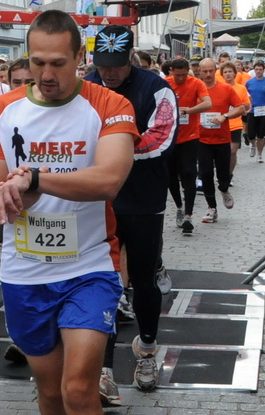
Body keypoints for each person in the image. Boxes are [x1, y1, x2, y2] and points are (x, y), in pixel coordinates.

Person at [0, 10, 135, 415]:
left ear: (79, 58)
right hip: (25, 273)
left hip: (90, 266)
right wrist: (2, 193)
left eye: (57, 63)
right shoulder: (4, 108)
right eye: (37, 63)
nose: (45, 74)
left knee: (78, 388)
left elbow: (109, 179)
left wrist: (37, 179)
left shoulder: (109, 107)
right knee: (49, 392)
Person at [85, 24, 177, 395]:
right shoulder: (86, 88)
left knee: (142, 279)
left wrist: (112, 154)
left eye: (117, 65)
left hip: (143, 197)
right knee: (102, 280)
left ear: (131, 57)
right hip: (98, 198)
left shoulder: (156, 89)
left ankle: (147, 349)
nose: (108, 72)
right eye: (102, 64)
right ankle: (103, 368)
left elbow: (162, 137)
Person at [193, 58, 245, 224]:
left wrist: (225, 116)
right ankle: (211, 208)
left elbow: (241, 108)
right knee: (206, 173)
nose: (208, 75)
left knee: (223, 174)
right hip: (202, 140)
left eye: (210, 71)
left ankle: (223, 189)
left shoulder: (225, 89)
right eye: (204, 71)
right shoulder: (196, 90)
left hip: (222, 138)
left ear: (215, 70)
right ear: (200, 72)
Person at [164, 57, 207, 236]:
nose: (180, 78)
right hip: (170, 137)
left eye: (183, 75)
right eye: (177, 75)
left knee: (189, 173)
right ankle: (179, 207)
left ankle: (189, 215)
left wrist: (188, 110)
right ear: (171, 71)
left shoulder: (196, 83)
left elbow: (207, 103)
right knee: (171, 176)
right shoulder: (164, 83)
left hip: (190, 136)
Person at [219, 60, 253, 175]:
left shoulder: (241, 88)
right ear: (222, 75)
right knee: (222, 153)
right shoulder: (219, 88)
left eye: (230, 71)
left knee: (233, 151)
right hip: (221, 124)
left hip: (235, 124)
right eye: (225, 72)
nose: (227, 74)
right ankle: (222, 173)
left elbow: (247, 105)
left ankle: (229, 174)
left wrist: (239, 108)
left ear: (235, 73)